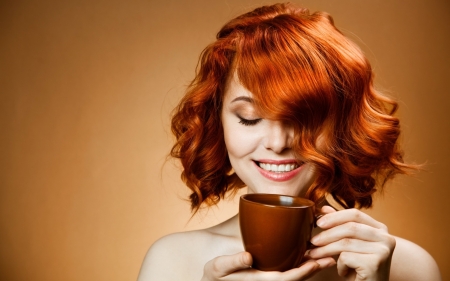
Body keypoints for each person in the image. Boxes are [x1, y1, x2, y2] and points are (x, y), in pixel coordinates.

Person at [138, 3, 441, 280]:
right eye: (249, 117)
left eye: (303, 119)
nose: (278, 142)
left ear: (344, 127)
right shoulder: (171, 262)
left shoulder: (412, 268)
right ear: (218, 124)